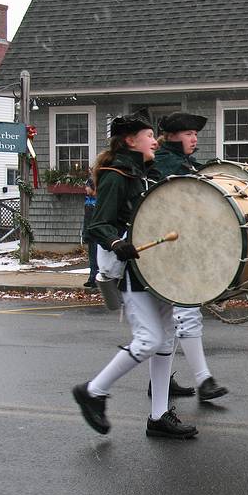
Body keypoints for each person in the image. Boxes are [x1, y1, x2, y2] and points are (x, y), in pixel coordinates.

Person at [72, 114, 197, 439]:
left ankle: (158, 416)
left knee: (166, 337)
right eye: (148, 136)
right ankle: (93, 391)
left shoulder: (145, 172)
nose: (154, 141)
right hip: (133, 271)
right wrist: (116, 242)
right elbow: (97, 224)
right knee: (149, 339)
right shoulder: (117, 175)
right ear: (130, 141)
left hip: (156, 268)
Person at [152, 112, 228, 401]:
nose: (194, 138)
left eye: (195, 134)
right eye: (187, 134)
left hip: (182, 246)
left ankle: (159, 380)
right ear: (172, 136)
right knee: (185, 312)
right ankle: (204, 380)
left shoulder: (187, 165)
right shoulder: (165, 166)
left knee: (168, 322)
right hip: (170, 249)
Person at [82, 176, 98, 288]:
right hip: (90, 232)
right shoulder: (88, 200)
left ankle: (97, 278)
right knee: (92, 256)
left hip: (97, 233)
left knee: (98, 256)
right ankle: (92, 277)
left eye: (87, 187)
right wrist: (85, 232)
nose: (85, 189)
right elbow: (86, 219)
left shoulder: (98, 201)